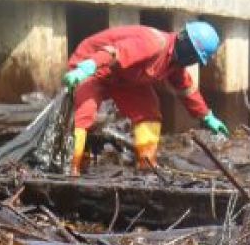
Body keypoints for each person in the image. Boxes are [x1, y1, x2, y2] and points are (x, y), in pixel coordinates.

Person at [62, 21, 229, 175]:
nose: (192, 61)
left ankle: (146, 164)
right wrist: (87, 66)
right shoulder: (154, 43)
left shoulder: (175, 63)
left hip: (125, 77)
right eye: (193, 55)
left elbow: (186, 89)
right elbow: (115, 53)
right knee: (85, 113)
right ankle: (72, 167)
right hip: (94, 64)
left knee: (149, 112)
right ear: (184, 41)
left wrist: (206, 116)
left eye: (196, 59)